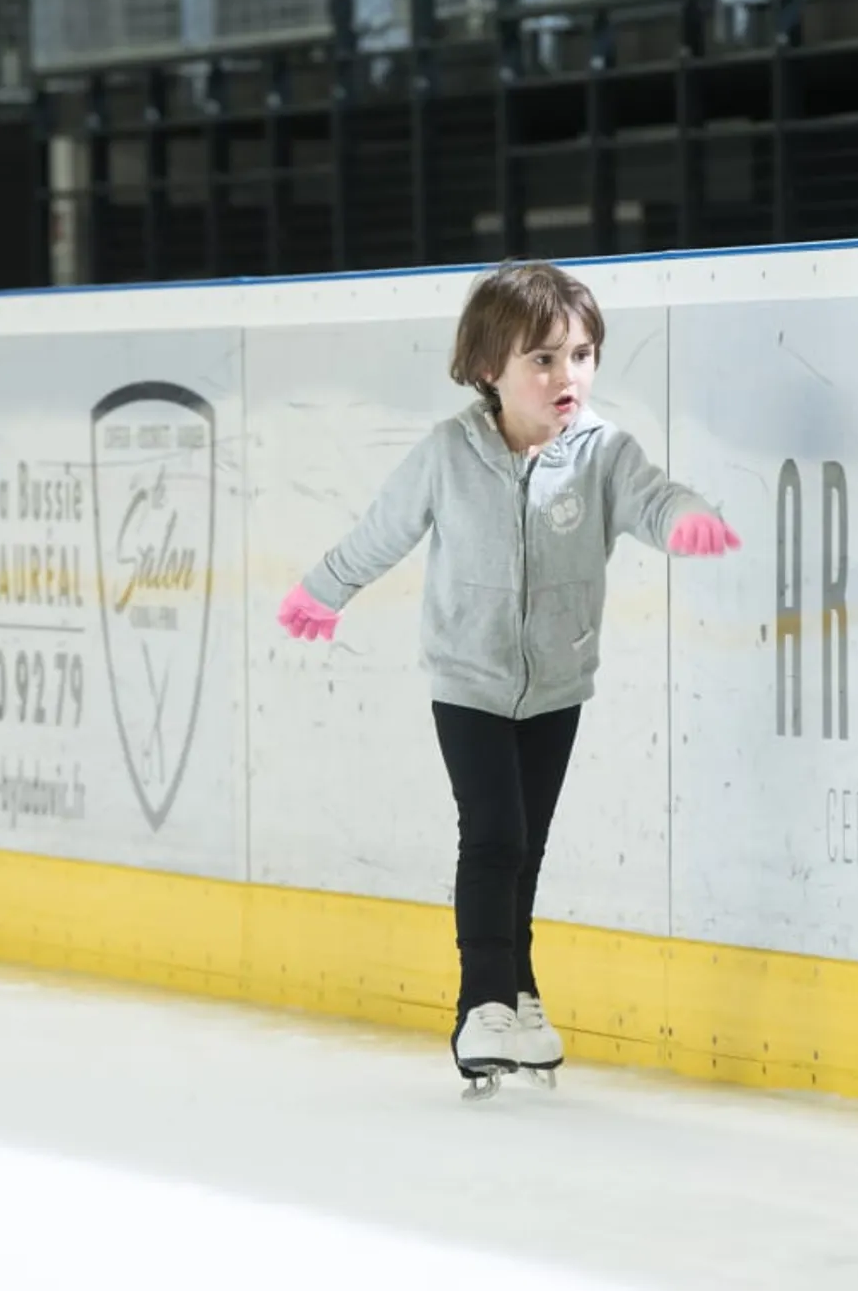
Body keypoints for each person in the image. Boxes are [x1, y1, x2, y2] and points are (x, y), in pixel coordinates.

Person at [274, 260, 741, 1094]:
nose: (570, 377)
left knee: (526, 848)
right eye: (545, 359)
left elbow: (653, 497)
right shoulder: (448, 454)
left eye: (584, 355)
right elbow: (383, 531)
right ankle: (481, 1002)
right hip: (470, 680)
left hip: (558, 684)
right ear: (490, 366)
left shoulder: (602, 454)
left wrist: (689, 519)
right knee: (492, 836)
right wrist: (324, 587)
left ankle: (520, 997)